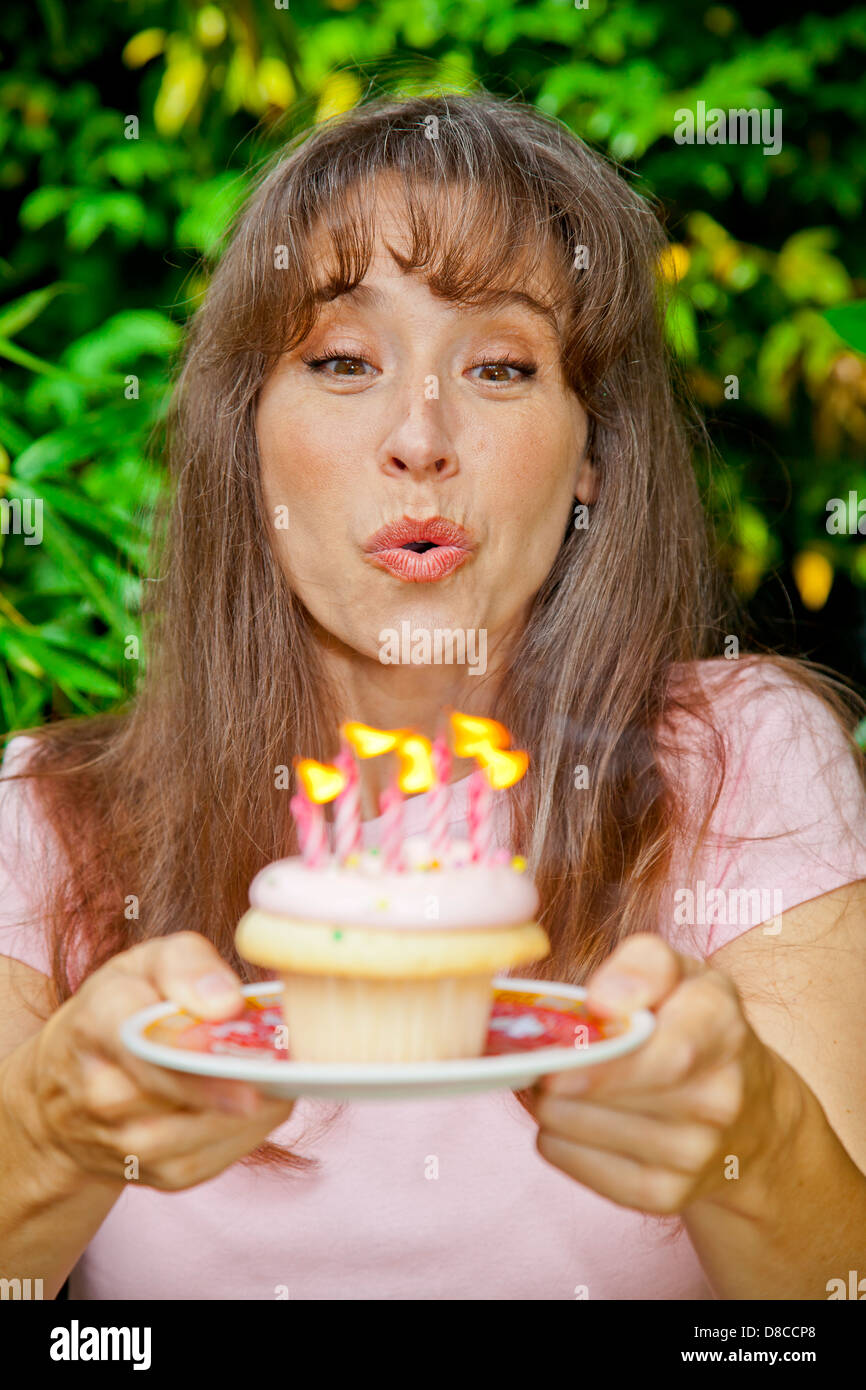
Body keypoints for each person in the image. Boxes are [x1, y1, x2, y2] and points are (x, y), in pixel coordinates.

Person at [2, 91, 866, 1302]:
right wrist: (45, 1151)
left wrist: (754, 1144)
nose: (420, 434)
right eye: (344, 360)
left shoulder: (745, 763)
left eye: (501, 366)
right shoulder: (46, 822)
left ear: (592, 462)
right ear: (245, 440)